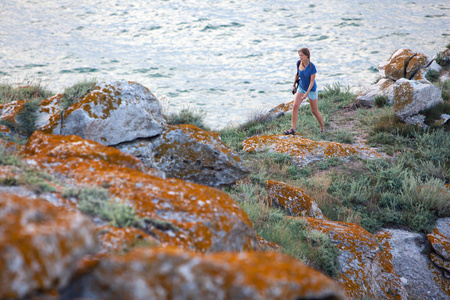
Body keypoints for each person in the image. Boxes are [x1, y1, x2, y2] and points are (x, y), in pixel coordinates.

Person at [284, 47, 324, 135]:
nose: (300, 58)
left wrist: (307, 93)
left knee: (314, 111)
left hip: (311, 90)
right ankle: (293, 129)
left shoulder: (312, 67)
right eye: (299, 56)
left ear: (307, 56)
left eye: (302, 56)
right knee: (295, 106)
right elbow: (297, 74)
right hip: (301, 87)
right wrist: (294, 85)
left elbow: (312, 81)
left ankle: (322, 127)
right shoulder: (299, 63)